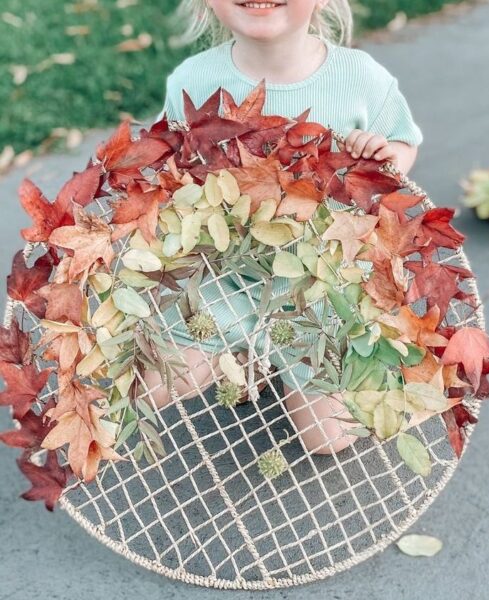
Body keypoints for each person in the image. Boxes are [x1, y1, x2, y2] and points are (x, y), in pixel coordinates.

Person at [143, 0, 424, 455]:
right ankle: (242, 347)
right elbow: (173, 171)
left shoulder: (360, 78)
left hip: (321, 285)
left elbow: (403, 143)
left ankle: (279, 350)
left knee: (328, 440)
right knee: (157, 386)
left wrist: (383, 156)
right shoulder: (192, 81)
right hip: (231, 273)